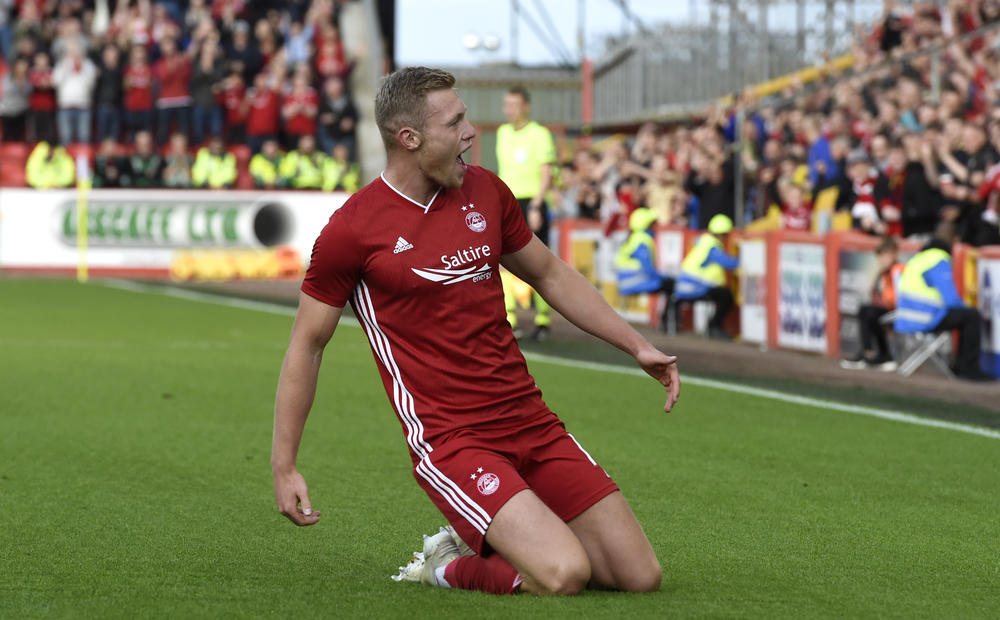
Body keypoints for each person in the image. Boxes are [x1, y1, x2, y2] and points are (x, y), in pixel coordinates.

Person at [271, 66, 678, 597]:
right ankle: (443, 564)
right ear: (409, 138)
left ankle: (499, 538)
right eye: (456, 121)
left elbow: (549, 273)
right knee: (563, 574)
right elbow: (308, 345)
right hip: (452, 439)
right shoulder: (353, 230)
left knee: (639, 576)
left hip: (529, 419)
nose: (471, 131)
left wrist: (637, 346)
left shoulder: (486, 191)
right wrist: (284, 465)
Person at [894, 223, 992, 381]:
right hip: (924, 318)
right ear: (954, 240)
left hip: (904, 317)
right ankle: (968, 369)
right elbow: (951, 299)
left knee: (963, 315)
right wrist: (965, 307)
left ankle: (961, 366)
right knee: (971, 316)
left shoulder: (920, 257)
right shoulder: (939, 259)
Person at [495, 85, 556, 341]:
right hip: (508, 202)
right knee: (504, 263)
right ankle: (509, 319)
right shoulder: (502, 133)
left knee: (538, 263)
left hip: (532, 201)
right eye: (506, 104)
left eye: (514, 105)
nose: (508, 110)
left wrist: (537, 205)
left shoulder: (540, 134)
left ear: (525, 107)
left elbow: (546, 173)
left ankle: (543, 320)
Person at [840, 236, 905, 371]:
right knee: (867, 312)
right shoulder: (884, 273)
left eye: (885, 256)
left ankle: (873, 354)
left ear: (894, 254)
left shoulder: (897, 270)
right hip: (890, 309)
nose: (882, 260)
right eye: (880, 256)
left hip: (900, 311)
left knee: (870, 313)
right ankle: (873, 353)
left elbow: (901, 296)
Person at [674, 214, 739, 340]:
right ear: (722, 234)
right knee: (727, 296)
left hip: (684, 285)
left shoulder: (703, 242)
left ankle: (713, 327)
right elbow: (728, 263)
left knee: (722, 294)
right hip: (694, 287)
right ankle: (714, 327)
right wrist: (745, 259)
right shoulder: (712, 246)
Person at [614, 207, 674, 330]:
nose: (654, 227)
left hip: (624, 281)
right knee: (670, 284)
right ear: (645, 224)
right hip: (634, 281)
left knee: (667, 283)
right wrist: (662, 277)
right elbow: (647, 268)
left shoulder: (633, 237)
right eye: (652, 224)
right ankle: (667, 325)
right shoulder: (642, 239)